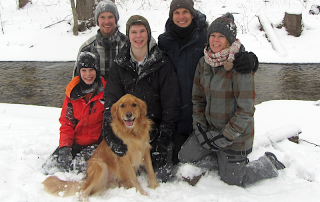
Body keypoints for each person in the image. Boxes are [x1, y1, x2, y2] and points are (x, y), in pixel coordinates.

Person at [178, 13, 285, 187]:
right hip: (210, 131)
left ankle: (269, 162)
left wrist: (225, 137)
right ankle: (218, 155)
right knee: (184, 156)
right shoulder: (203, 63)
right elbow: (197, 100)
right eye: (212, 35)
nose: (215, 40)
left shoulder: (240, 66)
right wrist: (200, 129)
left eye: (221, 36)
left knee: (234, 180)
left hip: (235, 137)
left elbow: (246, 110)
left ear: (230, 40)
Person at [158, 0, 259, 165]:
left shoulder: (206, 36)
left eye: (185, 12)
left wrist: (252, 60)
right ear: (171, 16)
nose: (181, 16)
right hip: (177, 113)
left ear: (193, 14)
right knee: (177, 158)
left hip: (203, 114)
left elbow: (233, 50)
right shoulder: (164, 41)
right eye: (176, 12)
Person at [101, 15, 181, 182]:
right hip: (129, 132)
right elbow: (111, 101)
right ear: (128, 35)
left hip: (156, 131)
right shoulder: (119, 64)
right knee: (119, 172)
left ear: (148, 33)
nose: (138, 36)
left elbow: (171, 104)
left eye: (142, 31)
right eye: (133, 32)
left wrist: (164, 137)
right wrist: (110, 133)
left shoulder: (163, 63)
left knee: (162, 176)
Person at [42, 52, 106, 175]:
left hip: (97, 143)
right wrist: (65, 146)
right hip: (76, 142)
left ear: (97, 71)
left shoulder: (106, 91)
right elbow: (67, 122)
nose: (88, 74)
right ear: (78, 71)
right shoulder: (72, 94)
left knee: (78, 171)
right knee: (50, 168)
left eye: (91, 70)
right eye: (84, 70)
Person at [74, 0, 128, 80]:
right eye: (102, 17)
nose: (106, 22)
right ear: (97, 21)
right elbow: (76, 82)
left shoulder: (128, 45)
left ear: (116, 19)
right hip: (95, 92)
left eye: (110, 17)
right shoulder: (87, 48)